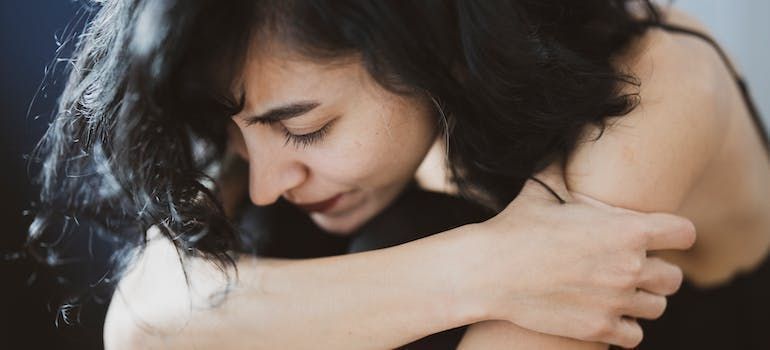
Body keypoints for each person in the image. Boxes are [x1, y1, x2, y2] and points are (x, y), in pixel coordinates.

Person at [27, 0, 767, 348]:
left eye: (307, 129)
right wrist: (487, 267)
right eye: (234, 134)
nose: (263, 180)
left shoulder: (659, 87)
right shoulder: (260, 66)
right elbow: (143, 313)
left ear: (430, 44)